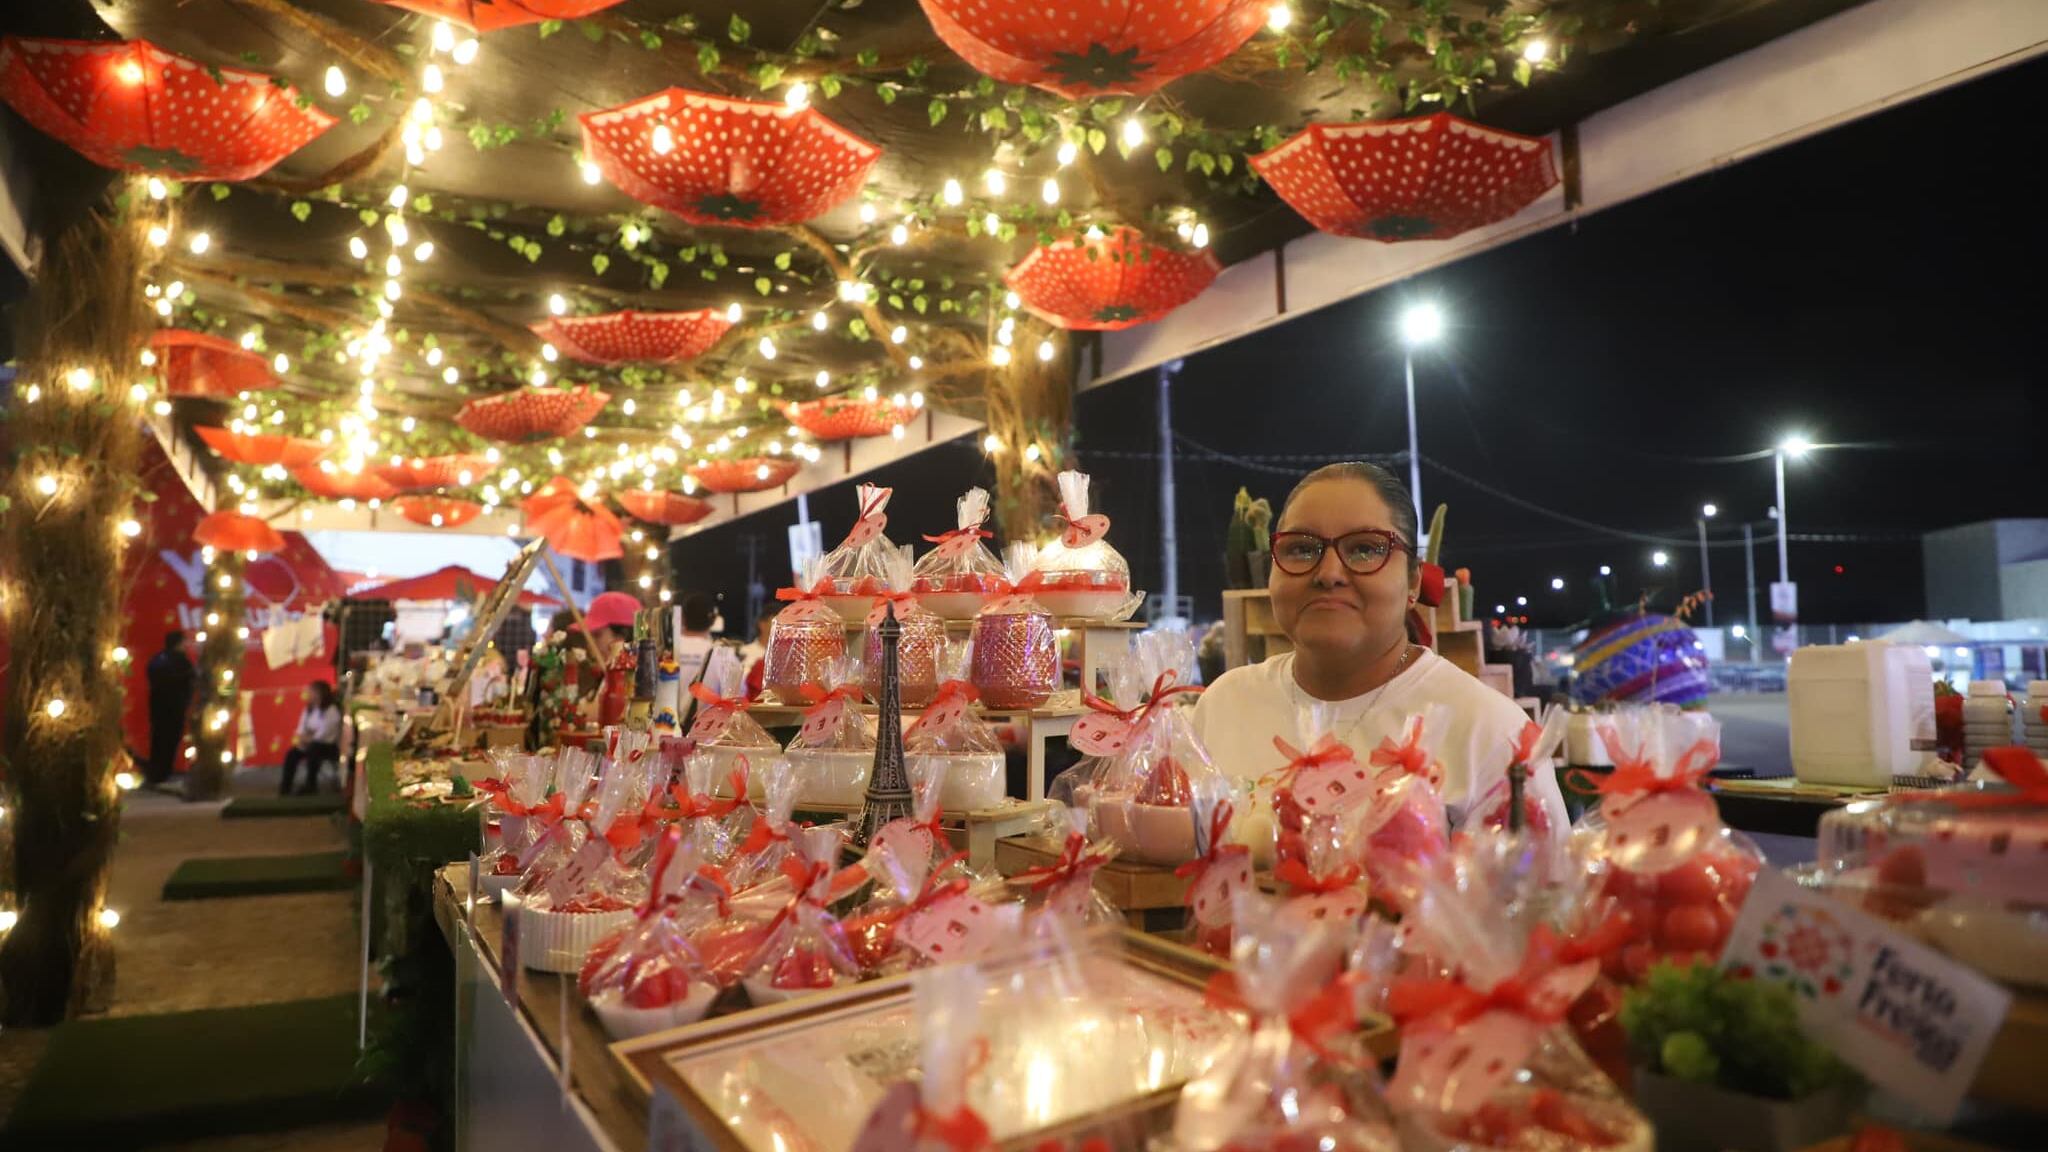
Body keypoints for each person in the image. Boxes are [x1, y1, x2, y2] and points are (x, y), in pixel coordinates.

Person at [1190, 462, 1567, 852]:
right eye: (1302, 548)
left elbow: (1543, 902)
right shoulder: (1224, 705)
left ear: (1414, 582)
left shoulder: (1489, 732)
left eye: (1366, 549)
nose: (1329, 573)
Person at [144, 630, 197, 789]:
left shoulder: (157, 660)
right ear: (179, 643)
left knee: (158, 740)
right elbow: (190, 681)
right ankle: (163, 773)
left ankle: (155, 774)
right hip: (175, 707)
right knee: (170, 741)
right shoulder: (182, 662)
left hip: (158, 707)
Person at [280, 680, 343, 795]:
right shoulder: (309, 709)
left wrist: (309, 738)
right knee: (292, 754)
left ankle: (310, 785)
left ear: (319, 693)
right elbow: (301, 728)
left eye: (311, 691)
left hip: (326, 746)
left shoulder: (331, 711)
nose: (308, 694)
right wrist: (303, 737)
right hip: (309, 743)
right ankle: (285, 789)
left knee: (314, 750)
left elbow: (324, 733)